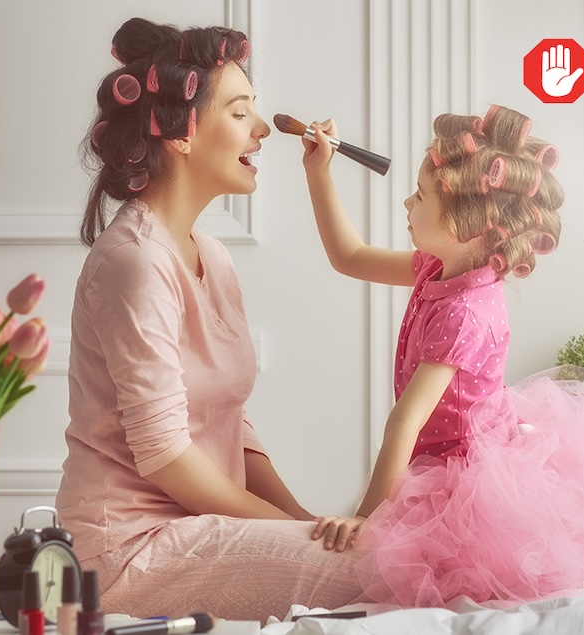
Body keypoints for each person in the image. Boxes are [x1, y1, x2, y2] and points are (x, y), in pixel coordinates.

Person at [300, 105, 584, 607]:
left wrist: (366, 516)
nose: (406, 202)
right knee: (521, 558)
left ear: (467, 226)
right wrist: (319, 174)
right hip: (468, 446)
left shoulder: (463, 312)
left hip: (469, 468)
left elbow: (405, 421)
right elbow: (349, 257)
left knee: (501, 578)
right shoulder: (439, 266)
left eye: (419, 196)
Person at [55, 17, 363, 622]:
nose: (262, 129)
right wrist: (289, 533)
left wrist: (303, 523)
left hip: (198, 525)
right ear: (180, 134)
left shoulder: (212, 256)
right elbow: (167, 454)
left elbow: (230, 424)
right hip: (128, 551)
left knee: (374, 555)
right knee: (384, 567)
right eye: (240, 110)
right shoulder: (135, 261)